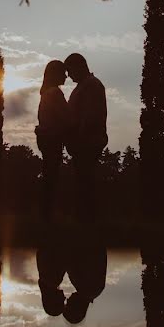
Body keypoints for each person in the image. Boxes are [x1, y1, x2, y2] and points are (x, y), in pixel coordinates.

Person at [64, 53, 108, 219]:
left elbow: (90, 116)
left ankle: (86, 221)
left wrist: (78, 139)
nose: (68, 75)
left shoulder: (91, 85)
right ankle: (84, 219)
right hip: (83, 142)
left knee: (85, 183)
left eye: (69, 70)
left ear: (78, 67)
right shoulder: (85, 85)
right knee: (82, 182)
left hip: (87, 142)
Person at [35, 60, 70, 220]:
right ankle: (47, 216)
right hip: (52, 139)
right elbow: (66, 116)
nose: (66, 76)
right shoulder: (55, 93)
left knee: (49, 176)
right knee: (52, 178)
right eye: (63, 73)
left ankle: (45, 214)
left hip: (46, 139)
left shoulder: (46, 93)